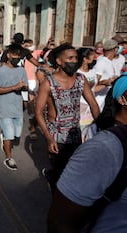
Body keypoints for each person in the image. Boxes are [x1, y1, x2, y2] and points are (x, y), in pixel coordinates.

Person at [35, 43, 100, 193]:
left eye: (76, 58)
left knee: (72, 171)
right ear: (59, 61)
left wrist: (101, 127)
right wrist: (49, 138)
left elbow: (94, 105)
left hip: (74, 132)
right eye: (70, 58)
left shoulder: (81, 80)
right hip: (56, 135)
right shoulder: (48, 83)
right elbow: (38, 112)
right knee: (59, 174)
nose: (74, 61)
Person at [47, 125, 127, 232]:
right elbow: (59, 222)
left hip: (75, 140)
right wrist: (49, 138)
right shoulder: (106, 148)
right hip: (59, 139)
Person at [0, 43, 28, 170]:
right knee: (10, 135)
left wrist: (25, 96)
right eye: (15, 55)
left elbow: (25, 87)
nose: (17, 58)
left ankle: (4, 138)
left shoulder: (21, 70)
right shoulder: (1, 72)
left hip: (18, 109)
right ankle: (8, 158)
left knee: (16, 134)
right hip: (5, 109)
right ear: (8, 55)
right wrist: (15, 87)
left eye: (19, 56)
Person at [76, 48, 99, 141]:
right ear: (84, 58)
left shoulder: (93, 71)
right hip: (80, 106)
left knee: (88, 133)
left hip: (91, 106)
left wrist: (107, 84)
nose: (94, 57)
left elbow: (94, 89)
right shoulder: (77, 73)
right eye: (92, 55)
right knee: (80, 133)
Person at [95, 38, 119, 112]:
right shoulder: (101, 62)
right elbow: (94, 82)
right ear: (115, 49)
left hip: (107, 99)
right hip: (98, 100)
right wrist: (106, 82)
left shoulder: (111, 61)